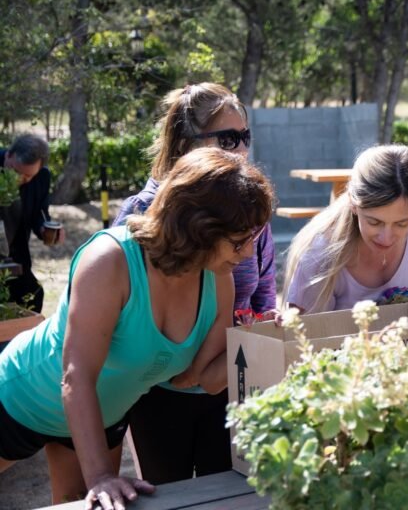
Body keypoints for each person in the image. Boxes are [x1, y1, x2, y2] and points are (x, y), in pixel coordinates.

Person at [0, 147, 275, 508]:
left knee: (79, 503)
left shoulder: (219, 280)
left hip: (101, 418)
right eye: (239, 242)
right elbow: (76, 377)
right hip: (25, 397)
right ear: (199, 229)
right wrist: (99, 476)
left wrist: (260, 341)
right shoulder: (109, 261)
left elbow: (197, 378)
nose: (246, 254)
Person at [113, 82, 277, 484]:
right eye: (226, 138)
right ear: (185, 142)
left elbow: (262, 291)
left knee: (229, 493)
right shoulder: (140, 212)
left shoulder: (249, 206)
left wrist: (263, 324)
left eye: (244, 137)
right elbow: (122, 308)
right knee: (166, 495)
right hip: (158, 391)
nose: (240, 149)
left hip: (230, 383)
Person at [283, 144, 408, 313]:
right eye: (374, 222)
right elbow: (303, 332)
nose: (386, 238)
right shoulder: (321, 255)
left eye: (401, 224)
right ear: (353, 204)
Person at [0, 134, 66, 312]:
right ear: (8, 155)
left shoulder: (42, 177)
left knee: (32, 295)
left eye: (28, 176)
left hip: (17, 256)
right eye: (15, 172)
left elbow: (39, 213)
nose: (20, 179)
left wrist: (44, 229)